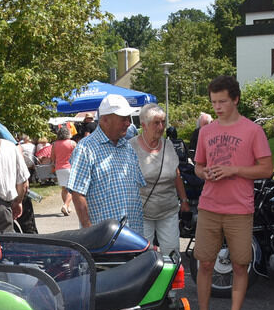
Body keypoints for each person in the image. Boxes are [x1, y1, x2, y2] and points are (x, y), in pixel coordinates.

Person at [192, 75, 273, 310]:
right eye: (214, 102)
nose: (217, 107)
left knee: (240, 264)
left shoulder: (252, 131)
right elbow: (198, 166)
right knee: (205, 262)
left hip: (239, 208)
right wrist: (206, 173)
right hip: (210, 206)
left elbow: (266, 169)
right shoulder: (206, 131)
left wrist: (234, 170)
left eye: (222, 101)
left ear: (235, 99)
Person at [67, 94, 146, 236]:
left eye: (128, 118)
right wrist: (89, 232)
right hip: (104, 239)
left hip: (134, 235)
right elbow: (77, 193)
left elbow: (138, 189)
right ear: (105, 120)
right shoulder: (86, 148)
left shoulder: (127, 147)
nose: (128, 123)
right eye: (123, 119)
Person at [131, 103, 189, 258]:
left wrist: (184, 199)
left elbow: (176, 174)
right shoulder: (131, 147)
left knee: (172, 252)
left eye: (163, 122)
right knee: (144, 255)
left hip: (168, 209)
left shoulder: (168, 145)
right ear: (144, 125)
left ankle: (170, 282)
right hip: (142, 212)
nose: (161, 126)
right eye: (156, 123)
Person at [50, 126, 76, 216]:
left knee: (64, 189)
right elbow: (77, 155)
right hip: (70, 167)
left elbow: (52, 157)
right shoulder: (72, 143)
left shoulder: (54, 144)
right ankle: (65, 205)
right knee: (71, 189)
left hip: (59, 168)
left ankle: (67, 206)